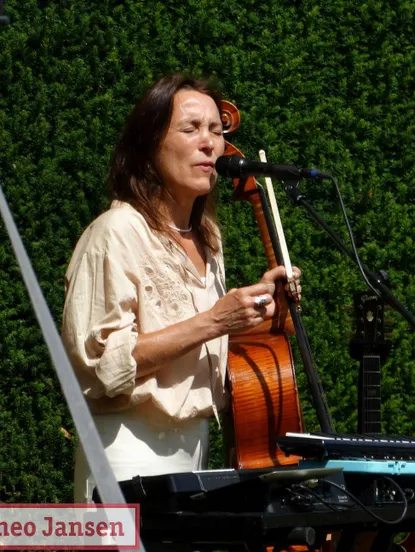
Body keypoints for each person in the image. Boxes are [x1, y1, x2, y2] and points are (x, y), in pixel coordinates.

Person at [61, 72, 301, 502]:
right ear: (149, 145)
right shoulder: (115, 233)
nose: (210, 143)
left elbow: (194, 351)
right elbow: (99, 368)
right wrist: (213, 321)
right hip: (127, 449)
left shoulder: (207, 235)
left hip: (195, 450)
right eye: (190, 129)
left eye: (216, 129)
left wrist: (256, 309)